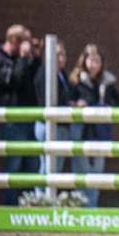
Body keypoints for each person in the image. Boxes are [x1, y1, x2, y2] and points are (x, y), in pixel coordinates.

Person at [0, 24, 42, 204]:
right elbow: (13, 82)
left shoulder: (22, 59)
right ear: (14, 41)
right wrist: (23, 59)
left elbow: (35, 82)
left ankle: (28, 204)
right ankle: (10, 206)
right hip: (12, 120)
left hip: (29, 118)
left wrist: (35, 57)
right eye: (26, 42)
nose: (27, 46)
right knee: (13, 163)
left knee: (32, 164)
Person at [69, 44, 119, 207]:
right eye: (91, 59)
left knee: (97, 174)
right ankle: (81, 210)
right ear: (84, 61)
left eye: (97, 60)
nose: (94, 63)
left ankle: (92, 209)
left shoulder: (107, 83)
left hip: (100, 134)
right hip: (82, 132)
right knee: (82, 173)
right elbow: (69, 101)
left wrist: (106, 109)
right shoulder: (76, 81)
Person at [34, 40, 76, 174]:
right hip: (48, 125)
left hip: (61, 125)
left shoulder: (62, 74)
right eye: (57, 55)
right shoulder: (44, 73)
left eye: (63, 54)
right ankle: (42, 195)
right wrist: (67, 106)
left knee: (56, 167)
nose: (61, 58)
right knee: (47, 167)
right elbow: (45, 101)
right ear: (47, 56)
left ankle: (49, 195)